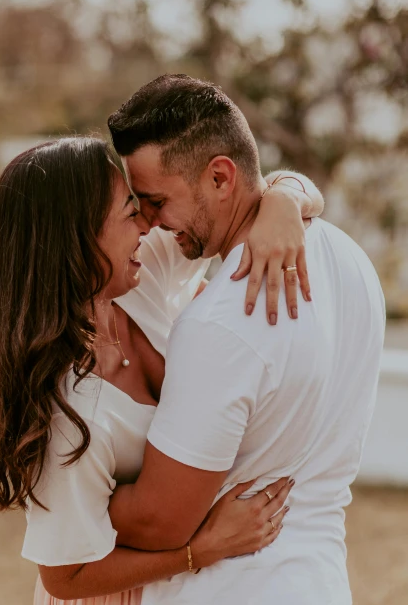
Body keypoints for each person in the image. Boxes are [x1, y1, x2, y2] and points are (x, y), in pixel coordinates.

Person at [0, 134, 323, 604]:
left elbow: (240, 193)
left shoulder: (140, 272)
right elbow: (64, 576)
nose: (149, 225)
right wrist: (200, 551)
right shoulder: (67, 412)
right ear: (79, 239)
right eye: (131, 213)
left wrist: (283, 201)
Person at [104, 73, 386, 605]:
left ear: (220, 177)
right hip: (320, 582)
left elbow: (160, 523)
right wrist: (286, 191)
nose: (151, 223)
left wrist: (56, 493)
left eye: (157, 200)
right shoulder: (348, 256)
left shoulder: (219, 322)